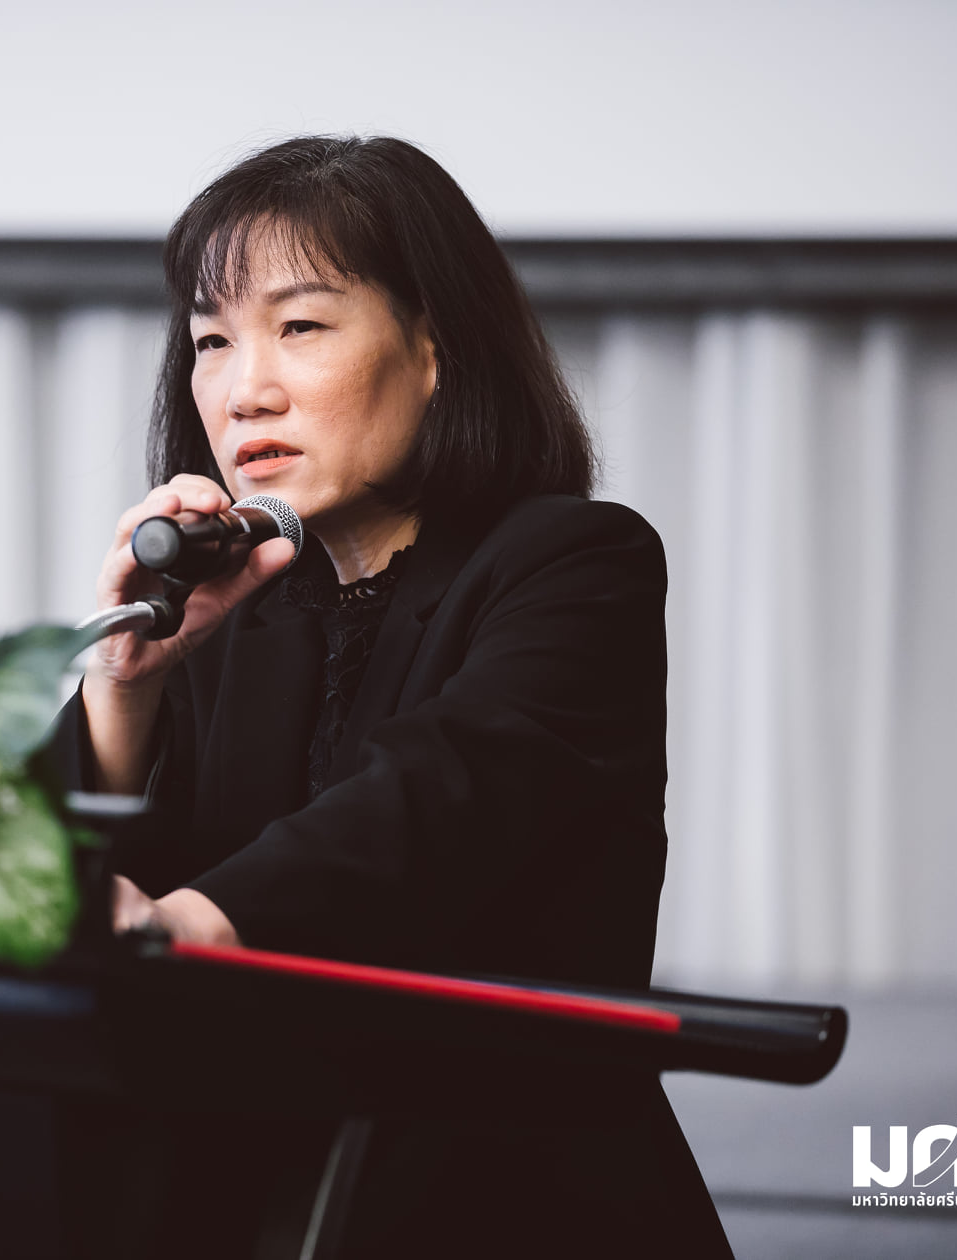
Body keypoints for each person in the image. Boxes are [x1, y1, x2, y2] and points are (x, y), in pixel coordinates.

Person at [51, 135, 732, 1258]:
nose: (244, 389)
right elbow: (72, 904)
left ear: (434, 349)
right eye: (212, 341)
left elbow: (444, 796)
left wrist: (192, 923)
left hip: (504, 1205)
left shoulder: (573, 563)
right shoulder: (230, 614)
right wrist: (124, 687)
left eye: (300, 327)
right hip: (248, 1202)